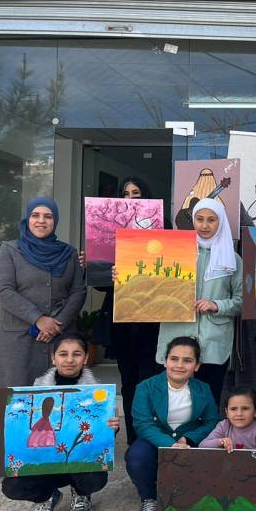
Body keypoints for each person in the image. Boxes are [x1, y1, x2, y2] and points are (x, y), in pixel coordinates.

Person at [0, 334, 119, 511]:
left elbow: (100, 441)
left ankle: (81, 493)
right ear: (53, 358)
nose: (69, 360)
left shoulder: (99, 394)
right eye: (63, 354)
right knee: (12, 486)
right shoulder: (35, 390)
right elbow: (18, 427)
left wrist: (113, 427)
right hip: (44, 461)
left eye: (76, 354)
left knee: (95, 478)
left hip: (78, 462)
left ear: (85, 358)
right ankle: (45, 497)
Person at [0, 197, 87, 390]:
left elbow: (78, 292)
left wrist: (57, 324)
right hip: (17, 339)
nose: (41, 221)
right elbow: (3, 290)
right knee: (12, 396)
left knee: (56, 396)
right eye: (35, 215)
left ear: (55, 220)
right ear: (28, 219)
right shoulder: (10, 250)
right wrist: (38, 319)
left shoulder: (69, 254)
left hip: (57, 338)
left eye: (48, 216)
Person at [155, 197, 242, 408]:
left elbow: (242, 301)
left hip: (213, 343)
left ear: (220, 222)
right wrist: (123, 276)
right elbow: (149, 288)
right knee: (174, 403)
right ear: (192, 221)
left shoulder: (232, 259)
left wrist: (217, 305)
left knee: (208, 403)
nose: (204, 225)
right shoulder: (172, 253)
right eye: (199, 219)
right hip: (176, 339)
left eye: (211, 220)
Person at [126, 336, 220, 511]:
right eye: (174, 359)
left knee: (214, 453)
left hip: (189, 445)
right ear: (165, 361)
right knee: (136, 456)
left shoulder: (203, 389)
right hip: (155, 442)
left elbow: (212, 422)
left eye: (187, 360)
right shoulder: (145, 387)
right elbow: (143, 424)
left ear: (197, 365)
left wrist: (189, 439)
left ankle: (194, 498)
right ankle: (149, 499)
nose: (179, 365)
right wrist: (170, 444)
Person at [101, 177, 162, 445]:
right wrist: (104, 271)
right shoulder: (107, 230)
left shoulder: (162, 228)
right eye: (125, 194)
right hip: (123, 321)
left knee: (149, 380)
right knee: (128, 382)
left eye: (136, 193)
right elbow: (100, 284)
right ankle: (134, 440)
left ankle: (149, 439)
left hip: (152, 319)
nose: (130, 198)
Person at [199, 386, 256, 499]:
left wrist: (255, 468)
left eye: (245, 408)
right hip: (229, 472)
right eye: (233, 409)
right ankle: (226, 499)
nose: (239, 413)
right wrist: (220, 441)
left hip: (255, 474)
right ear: (226, 412)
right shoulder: (224, 425)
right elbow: (203, 445)